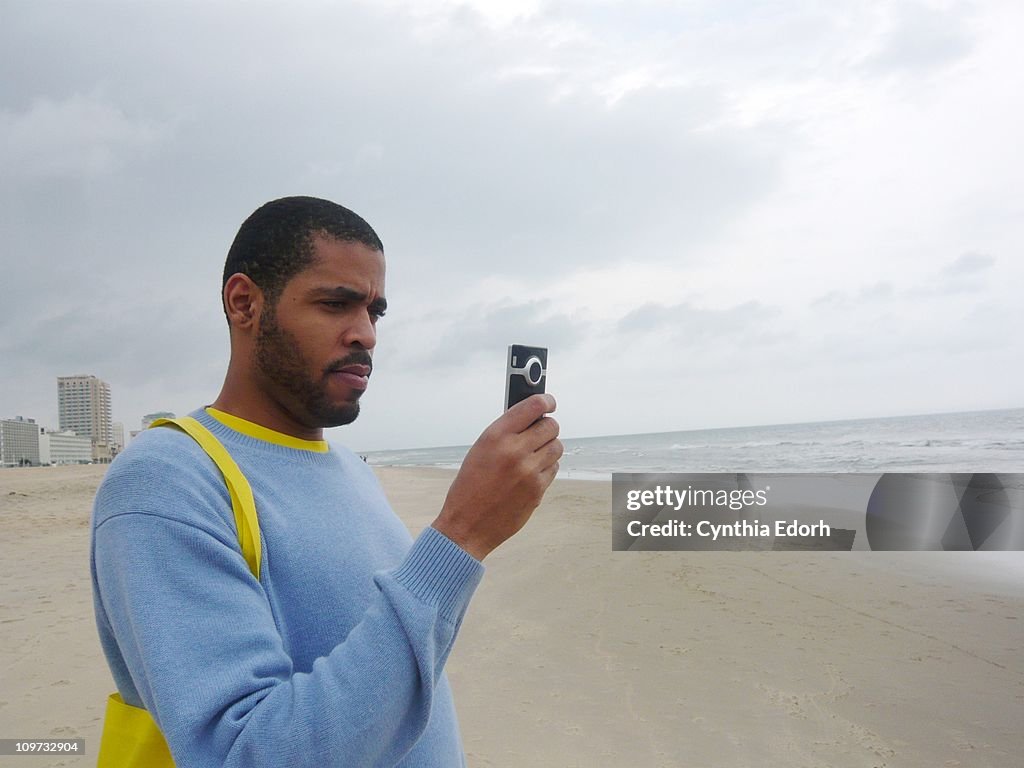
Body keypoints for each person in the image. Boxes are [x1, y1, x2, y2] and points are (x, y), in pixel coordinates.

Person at [90, 196, 562, 766]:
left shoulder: (350, 470)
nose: (365, 334)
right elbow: (246, 752)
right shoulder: (166, 482)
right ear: (245, 304)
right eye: (336, 304)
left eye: (374, 312)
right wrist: (460, 537)